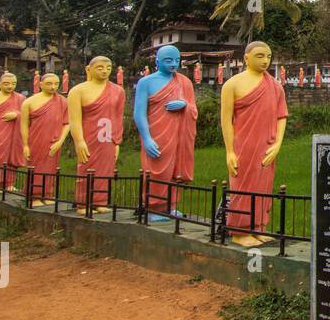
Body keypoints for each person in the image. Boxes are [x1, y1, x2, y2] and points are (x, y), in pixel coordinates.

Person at [221, 41, 288, 247]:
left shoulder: (275, 86)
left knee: (264, 186)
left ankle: (258, 227)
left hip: (267, 145)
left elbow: (281, 116)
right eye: (259, 56)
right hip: (244, 145)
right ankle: (240, 231)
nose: (265, 60)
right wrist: (230, 151)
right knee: (242, 185)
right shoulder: (232, 84)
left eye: (268, 56)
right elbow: (226, 120)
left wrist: (277, 144)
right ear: (246, 58)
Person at [134, 44, 198, 215]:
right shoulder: (146, 82)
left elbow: (193, 109)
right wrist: (146, 138)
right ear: (157, 61)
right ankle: (153, 207)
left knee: (174, 170)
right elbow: (139, 114)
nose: (173, 64)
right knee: (155, 170)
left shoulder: (184, 83)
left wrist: (185, 105)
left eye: (177, 60)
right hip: (156, 134)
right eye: (168, 60)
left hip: (178, 133)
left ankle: (171, 206)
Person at [68, 56, 125, 212]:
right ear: (89, 69)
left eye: (108, 68)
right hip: (88, 136)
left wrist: (117, 141)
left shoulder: (118, 91)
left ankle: (100, 201)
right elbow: (74, 120)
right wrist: (79, 141)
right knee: (85, 167)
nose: (104, 71)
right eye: (100, 68)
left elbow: (118, 117)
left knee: (106, 169)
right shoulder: (78, 91)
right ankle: (82, 203)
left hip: (108, 138)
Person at [20, 73, 69, 205]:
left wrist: (60, 141)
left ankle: (47, 193)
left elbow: (67, 123)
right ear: (40, 84)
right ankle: (34, 195)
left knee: (51, 167)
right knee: (35, 167)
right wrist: (25, 145)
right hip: (36, 139)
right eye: (49, 84)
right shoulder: (29, 102)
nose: (53, 87)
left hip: (54, 140)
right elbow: (24, 125)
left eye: (56, 84)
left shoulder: (63, 101)